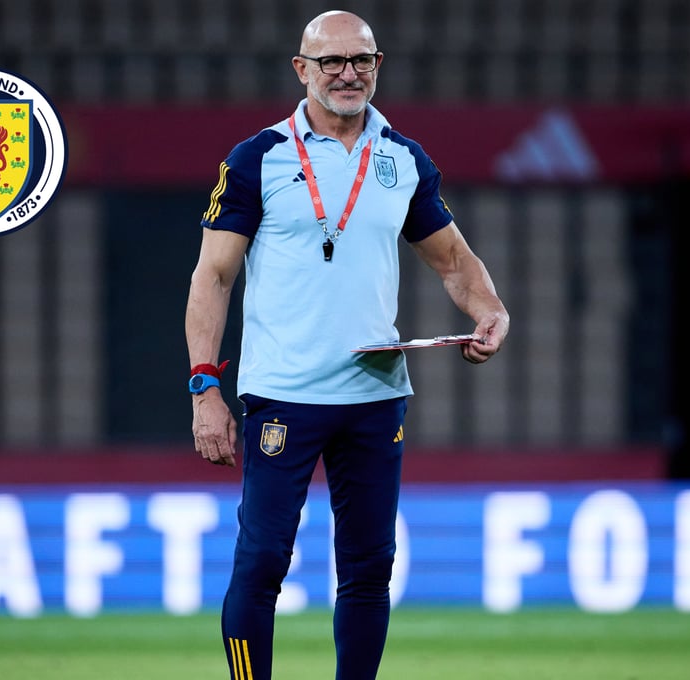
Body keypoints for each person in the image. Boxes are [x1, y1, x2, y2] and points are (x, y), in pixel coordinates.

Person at [185, 10, 509, 680]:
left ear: (378, 66)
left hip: (374, 397)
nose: (347, 73)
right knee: (261, 563)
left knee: (368, 569)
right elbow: (213, 276)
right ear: (301, 70)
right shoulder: (257, 159)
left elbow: (452, 260)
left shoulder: (403, 158)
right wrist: (204, 386)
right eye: (331, 61)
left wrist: (490, 311)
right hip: (283, 395)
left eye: (361, 60)